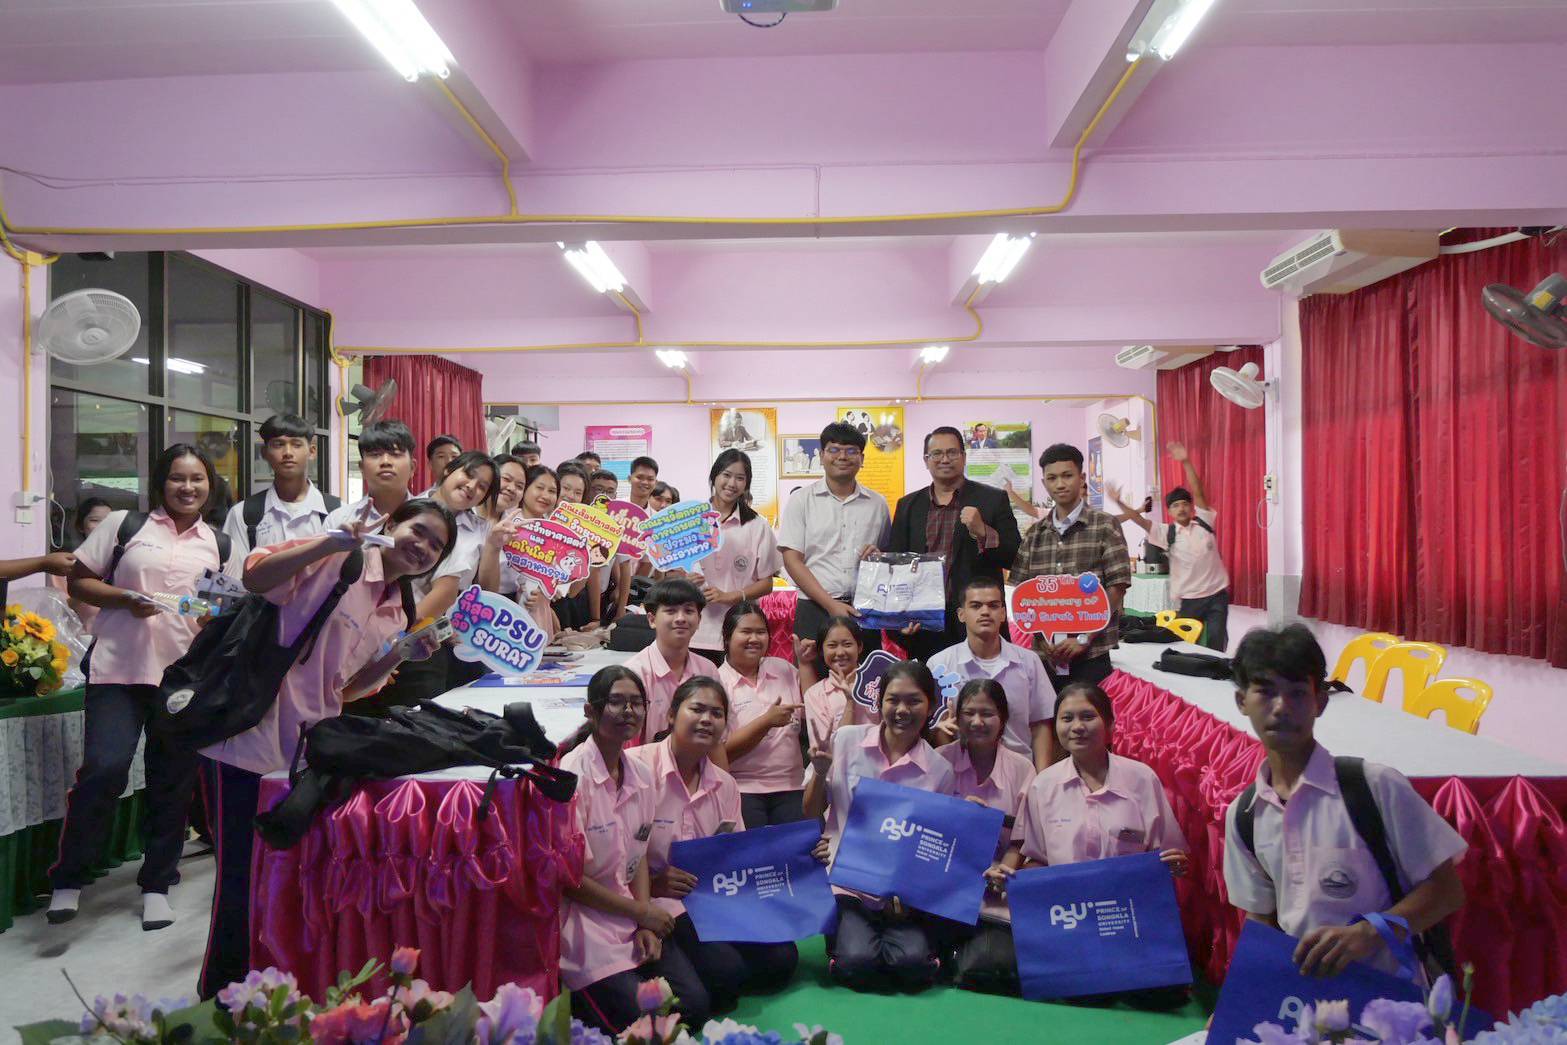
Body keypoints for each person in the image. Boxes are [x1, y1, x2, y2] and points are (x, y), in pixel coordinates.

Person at [196, 497, 457, 996]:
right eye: (418, 531)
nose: (423, 547)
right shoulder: (340, 557)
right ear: (391, 524)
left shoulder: (399, 608)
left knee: (282, 877)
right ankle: (219, 999)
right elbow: (255, 575)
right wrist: (328, 544)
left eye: (437, 546)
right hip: (247, 736)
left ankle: (270, 993)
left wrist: (400, 653)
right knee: (238, 880)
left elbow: (349, 689)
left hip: (305, 751)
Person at [48, 445, 231, 930]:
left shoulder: (220, 543)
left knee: (172, 782)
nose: (187, 487)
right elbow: (80, 583)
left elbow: (224, 610)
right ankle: (69, 878)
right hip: (118, 670)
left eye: (197, 479)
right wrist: (125, 599)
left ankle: (157, 885)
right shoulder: (126, 526)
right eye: (177, 478)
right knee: (104, 769)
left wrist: (208, 614)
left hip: (181, 680)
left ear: (209, 485)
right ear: (160, 483)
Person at [1223, 625, 1466, 980]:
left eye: (1297, 693)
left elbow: (1447, 890)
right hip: (1305, 997)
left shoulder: (1374, 787)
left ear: (1320, 702)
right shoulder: (1245, 815)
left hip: (1392, 996)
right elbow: (1260, 919)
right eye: (1266, 692)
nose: (1281, 707)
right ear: (1242, 701)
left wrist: (1372, 932)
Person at [1003, 681, 1189, 1005]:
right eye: (1066, 718)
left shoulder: (1141, 779)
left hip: (1127, 920)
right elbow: (1036, 859)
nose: (1077, 727)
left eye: (1087, 717)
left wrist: (1174, 864)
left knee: (1161, 997)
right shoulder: (1043, 786)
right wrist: (1018, 880)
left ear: (1110, 725)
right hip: (1071, 921)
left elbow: (1168, 857)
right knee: (1085, 997)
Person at [629, 676, 798, 1027]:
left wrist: (796, 856)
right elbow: (616, 853)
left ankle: (705, 968)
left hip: (713, 899)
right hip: (660, 904)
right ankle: (691, 970)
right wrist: (655, 884)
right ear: (671, 715)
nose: (707, 719)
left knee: (783, 959)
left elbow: (737, 855)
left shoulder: (725, 785)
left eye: (717, 713)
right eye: (697, 709)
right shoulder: (637, 769)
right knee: (726, 973)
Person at [556, 667, 696, 1035]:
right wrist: (641, 912)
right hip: (584, 925)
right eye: (617, 702)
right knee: (645, 1024)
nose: (629, 711)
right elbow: (568, 880)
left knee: (695, 1005)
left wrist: (643, 922)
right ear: (590, 710)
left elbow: (640, 856)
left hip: (631, 917)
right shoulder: (572, 777)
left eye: (637, 703)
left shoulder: (641, 774)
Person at [803, 660, 955, 990]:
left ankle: (885, 942)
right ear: (879, 702)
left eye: (914, 701)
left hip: (900, 894)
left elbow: (932, 846)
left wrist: (910, 895)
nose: (902, 710)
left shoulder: (940, 770)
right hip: (847, 884)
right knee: (857, 964)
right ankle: (849, 946)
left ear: (931, 706)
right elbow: (809, 811)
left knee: (913, 966)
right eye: (893, 700)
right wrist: (818, 773)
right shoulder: (845, 740)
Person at [371, 451, 500, 704]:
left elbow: (447, 593)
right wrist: (375, 644)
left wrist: (394, 643)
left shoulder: (472, 532)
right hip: (369, 636)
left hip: (416, 640)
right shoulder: (406, 507)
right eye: (468, 474)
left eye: (482, 486)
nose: (471, 486)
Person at [935, 679, 1036, 994]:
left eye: (987, 714)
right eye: (969, 713)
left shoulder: (1022, 768)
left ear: (1003, 719)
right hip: (946, 879)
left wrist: (1004, 871)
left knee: (997, 964)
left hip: (997, 886)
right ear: (957, 716)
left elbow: (1021, 839)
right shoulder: (939, 760)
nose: (977, 722)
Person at [886, 427, 1020, 659]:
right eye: (937, 454)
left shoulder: (993, 499)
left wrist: (983, 532)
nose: (945, 459)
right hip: (924, 624)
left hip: (976, 622)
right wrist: (900, 618)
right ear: (926, 460)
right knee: (928, 681)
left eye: (952, 452)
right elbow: (896, 566)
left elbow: (1015, 557)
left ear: (964, 457)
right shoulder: (908, 505)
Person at [1010, 443, 1131, 691]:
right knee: (1047, 714)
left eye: (1067, 475)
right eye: (1052, 478)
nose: (1060, 484)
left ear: (1082, 478)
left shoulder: (1104, 525)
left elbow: (1117, 588)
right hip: (1045, 655)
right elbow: (1022, 593)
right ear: (1044, 483)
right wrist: (1042, 637)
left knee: (1086, 716)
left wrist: (1084, 638)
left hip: (1091, 655)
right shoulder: (1035, 534)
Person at [776, 421, 891, 659]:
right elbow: (792, 560)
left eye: (851, 451)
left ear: (862, 458)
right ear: (821, 456)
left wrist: (879, 556)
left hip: (863, 610)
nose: (842, 456)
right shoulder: (801, 500)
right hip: (813, 608)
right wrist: (830, 605)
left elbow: (886, 556)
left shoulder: (877, 503)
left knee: (865, 675)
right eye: (834, 449)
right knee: (812, 674)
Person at [1110, 441, 1232, 651]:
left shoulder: (1204, 522)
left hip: (1216, 596)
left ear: (1192, 507)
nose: (1181, 508)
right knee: (1183, 643)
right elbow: (1139, 520)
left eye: (1185, 504)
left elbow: (1199, 491)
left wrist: (1185, 461)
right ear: (1170, 511)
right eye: (1176, 505)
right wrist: (1119, 502)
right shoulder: (1167, 533)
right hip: (1190, 600)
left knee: (1216, 642)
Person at [927, 577, 1058, 768]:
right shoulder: (940, 664)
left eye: (993, 605)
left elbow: (1040, 725)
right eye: (976, 606)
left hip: (1019, 772)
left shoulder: (1029, 661)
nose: (985, 612)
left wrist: (1041, 779)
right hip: (959, 774)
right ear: (961, 614)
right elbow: (934, 726)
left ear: (1003, 613)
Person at [689, 450, 782, 662]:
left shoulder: (757, 525)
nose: (732, 483)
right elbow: (669, 573)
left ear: (746, 484)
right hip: (695, 630)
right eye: (727, 475)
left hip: (740, 633)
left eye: (740, 478)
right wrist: (684, 578)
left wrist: (730, 596)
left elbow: (767, 583)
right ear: (714, 475)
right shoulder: (691, 520)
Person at [719, 602, 806, 828]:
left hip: (792, 784)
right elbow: (720, 752)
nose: (755, 639)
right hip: (741, 787)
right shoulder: (717, 681)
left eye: (761, 632)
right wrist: (766, 721)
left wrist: (805, 664)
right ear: (727, 637)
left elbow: (813, 709)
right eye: (746, 632)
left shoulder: (783, 669)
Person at [222, 413, 336, 558]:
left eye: (296, 445)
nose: (288, 453)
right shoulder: (242, 515)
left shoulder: (336, 513)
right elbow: (236, 571)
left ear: (312, 452)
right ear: (264, 453)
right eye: (278, 444)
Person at [624, 579, 720, 744]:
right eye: (671, 611)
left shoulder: (708, 670)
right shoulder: (634, 674)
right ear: (652, 619)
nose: (681, 618)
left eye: (688, 611)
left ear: (699, 620)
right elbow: (627, 746)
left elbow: (716, 739)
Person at [801, 614, 877, 753]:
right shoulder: (814, 694)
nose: (840, 652)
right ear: (821, 651)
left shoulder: (878, 682)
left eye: (847, 644)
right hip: (836, 765)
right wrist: (850, 702)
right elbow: (827, 750)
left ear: (859, 647)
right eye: (832, 646)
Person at [323, 420, 415, 531]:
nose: (385, 461)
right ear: (362, 468)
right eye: (375, 455)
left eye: (395, 454)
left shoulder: (430, 518)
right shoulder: (337, 521)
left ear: (412, 467)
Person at [552, 462, 601, 630]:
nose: (571, 496)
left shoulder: (585, 530)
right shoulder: (539, 521)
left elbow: (577, 588)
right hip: (534, 601)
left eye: (578, 492)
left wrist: (596, 618)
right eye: (566, 488)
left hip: (566, 603)